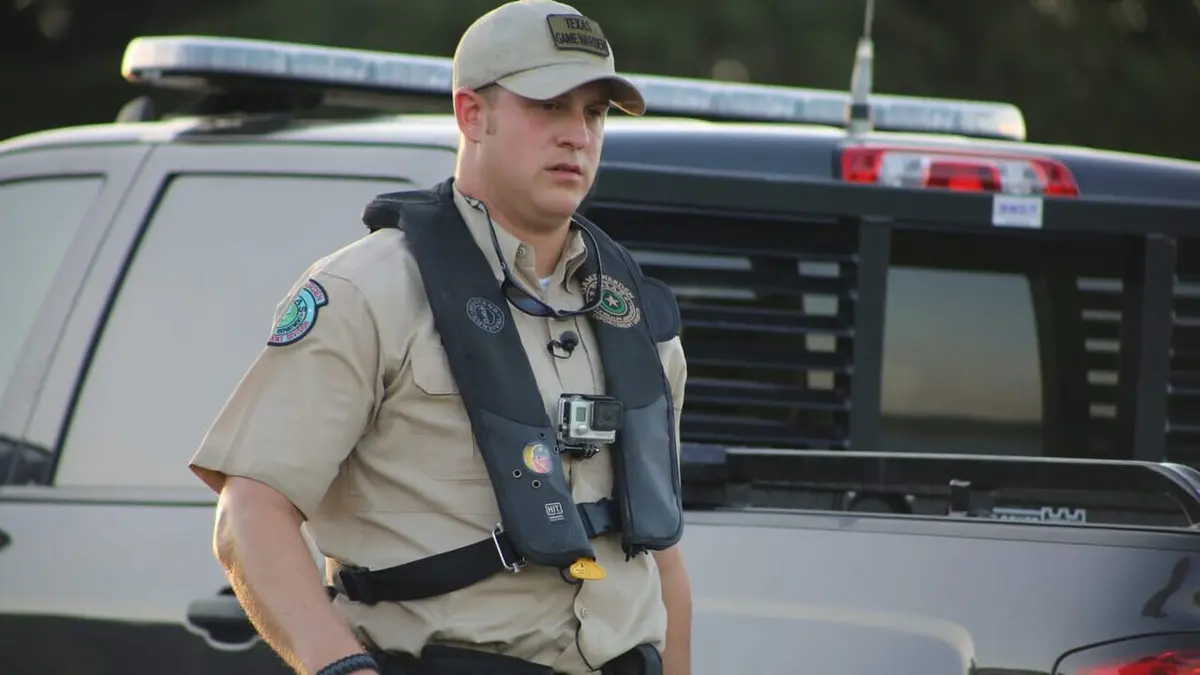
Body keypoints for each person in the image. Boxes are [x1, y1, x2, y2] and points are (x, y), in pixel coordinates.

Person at [187, 1, 692, 674]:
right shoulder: (372, 290)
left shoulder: (632, 312)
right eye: (549, 107)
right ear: (470, 114)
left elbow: (659, 550)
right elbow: (250, 512)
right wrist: (341, 667)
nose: (577, 135)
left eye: (594, 113)